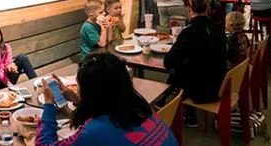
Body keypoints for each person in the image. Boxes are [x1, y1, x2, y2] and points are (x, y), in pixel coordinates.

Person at [36, 54, 177, 146]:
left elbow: (43, 144)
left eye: (79, 85)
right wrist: (80, 102)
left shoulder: (94, 131)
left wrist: (49, 104)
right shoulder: (139, 104)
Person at [164, 0, 227, 128]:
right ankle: (173, 104)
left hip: (199, 90)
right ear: (208, 8)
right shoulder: (219, 30)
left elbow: (168, 62)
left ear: (188, 8)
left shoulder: (188, 33)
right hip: (220, 85)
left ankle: (184, 109)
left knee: (178, 70)